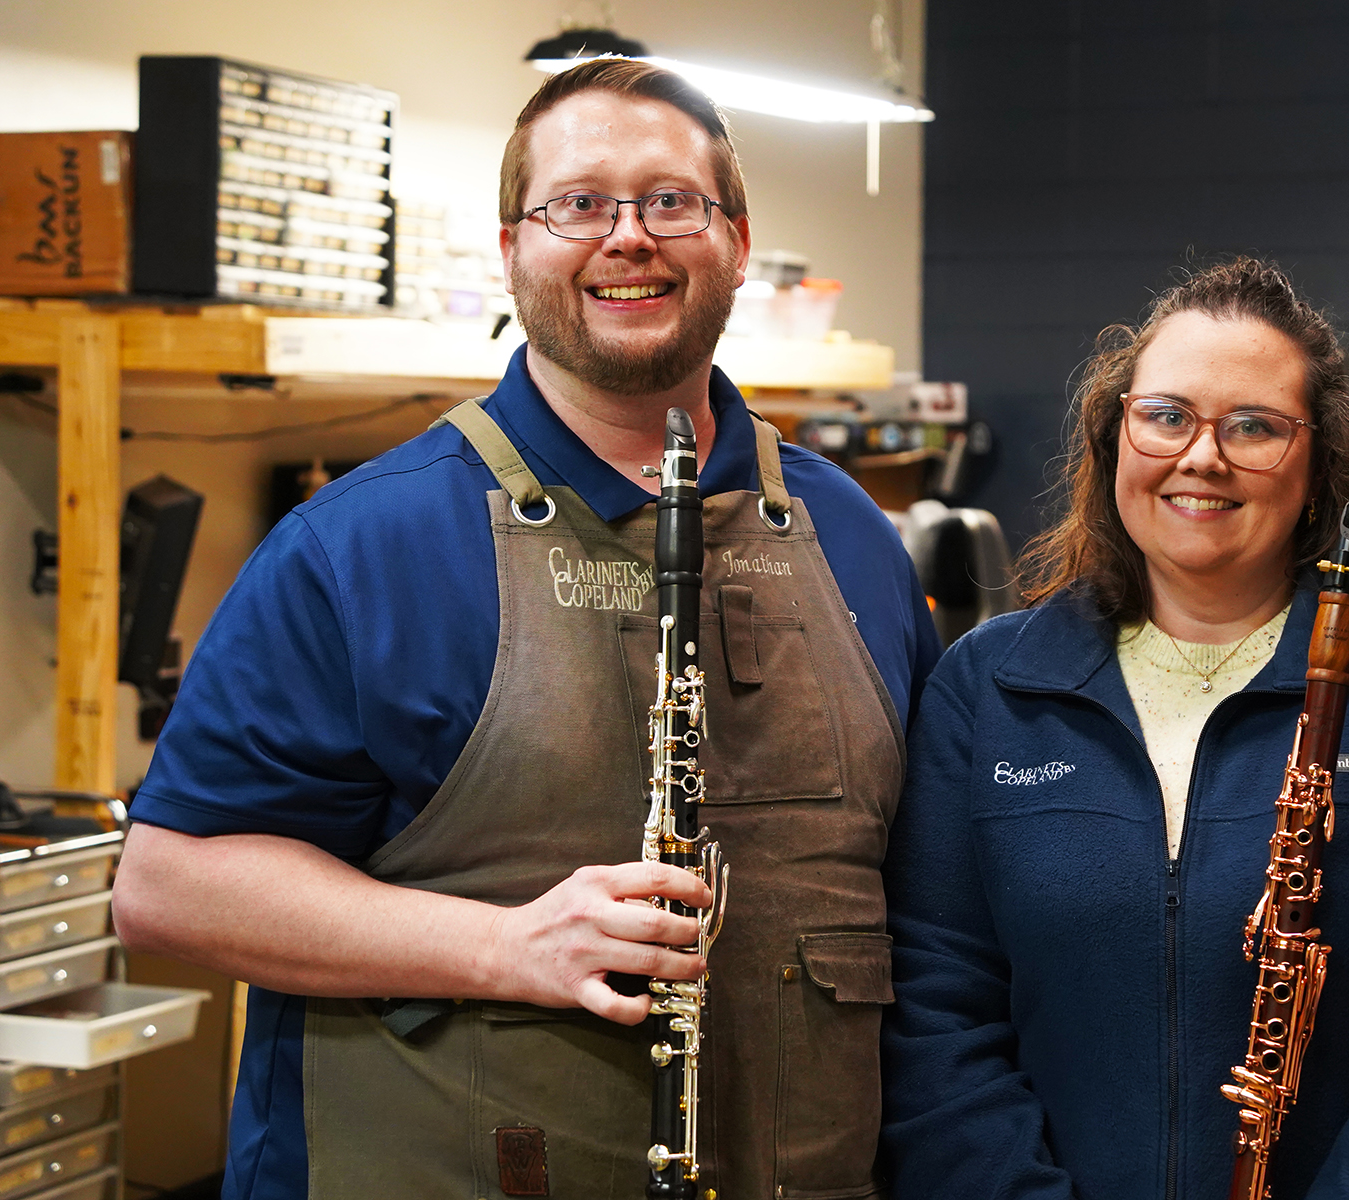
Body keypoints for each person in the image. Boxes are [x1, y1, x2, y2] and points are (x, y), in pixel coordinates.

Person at [112, 58, 939, 1200]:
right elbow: (168, 886)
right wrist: (507, 947)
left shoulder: (850, 534)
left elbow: (928, 902)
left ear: (738, 242)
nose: (628, 236)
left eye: (670, 201)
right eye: (578, 204)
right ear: (513, 250)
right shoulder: (364, 545)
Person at [879, 257, 1349, 1200]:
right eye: (1166, 417)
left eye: (1254, 428)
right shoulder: (986, 686)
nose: (1203, 456)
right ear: (1115, 437)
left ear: (1318, 465)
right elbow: (933, 1013)